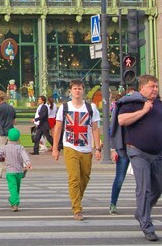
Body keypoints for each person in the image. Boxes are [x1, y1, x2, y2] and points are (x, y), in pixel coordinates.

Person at [118, 74, 162, 242]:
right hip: (138, 151)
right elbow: (122, 120)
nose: (155, 89)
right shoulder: (131, 103)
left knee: (157, 189)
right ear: (142, 87)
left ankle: (142, 211)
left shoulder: (161, 105)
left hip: (159, 153)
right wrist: (143, 111)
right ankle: (147, 226)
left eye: (156, 86)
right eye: (152, 86)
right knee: (144, 188)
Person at [52, 79, 103, 221]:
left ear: (83, 90)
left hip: (86, 147)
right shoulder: (64, 107)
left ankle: (77, 199)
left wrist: (97, 148)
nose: (77, 91)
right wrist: (55, 148)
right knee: (74, 178)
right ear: (70, 91)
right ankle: (77, 209)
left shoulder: (91, 108)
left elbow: (95, 128)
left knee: (84, 178)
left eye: (79, 88)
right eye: (75, 88)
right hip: (70, 146)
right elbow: (58, 128)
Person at [0, 127, 32, 211]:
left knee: (12, 187)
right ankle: (14, 200)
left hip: (10, 172)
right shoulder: (20, 147)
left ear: (8, 138)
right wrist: (28, 163)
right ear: (18, 138)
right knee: (17, 187)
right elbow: (25, 156)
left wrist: (1, 158)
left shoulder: (5, 148)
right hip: (19, 171)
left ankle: (14, 202)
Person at [108, 91, 129, 215]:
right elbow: (113, 130)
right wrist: (113, 149)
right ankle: (113, 203)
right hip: (123, 148)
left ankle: (145, 204)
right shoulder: (119, 109)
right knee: (120, 177)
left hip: (136, 148)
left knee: (142, 178)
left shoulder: (141, 108)